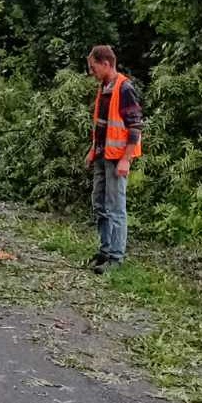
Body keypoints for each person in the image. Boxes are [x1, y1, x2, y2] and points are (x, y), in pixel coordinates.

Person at [83, 45, 143, 273]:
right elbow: (101, 126)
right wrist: (92, 150)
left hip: (117, 159)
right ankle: (105, 251)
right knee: (99, 204)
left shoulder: (124, 87)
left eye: (93, 67)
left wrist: (126, 159)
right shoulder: (104, 88)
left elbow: (135, 127)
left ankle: (116, 258)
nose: (91, 72)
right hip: (102, 155)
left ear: (106, 63)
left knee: (116, 208)